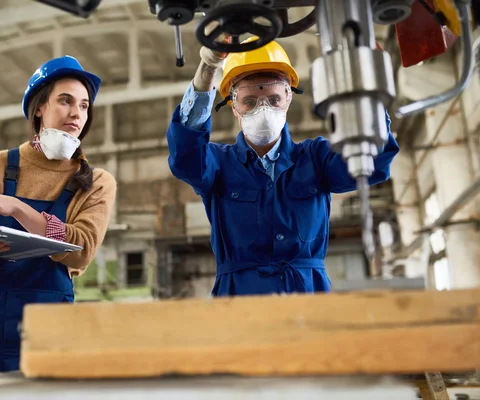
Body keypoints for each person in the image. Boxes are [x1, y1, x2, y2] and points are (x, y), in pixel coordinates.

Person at [166, 36, 399, 296]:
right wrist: (208, 67)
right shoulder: (218, 164)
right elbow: (185, 156)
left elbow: (370, 161)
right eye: (249, 101)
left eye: (274, 99)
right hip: (238, 301)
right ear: (233, 106)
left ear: (288, 98)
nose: (263, 109)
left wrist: (369, 87)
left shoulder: (316, 158)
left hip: (309, 298)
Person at [0, 55, 117, 379]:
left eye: (85, 105)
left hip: (49, 327)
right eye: (65, 101)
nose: (77, 113)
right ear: (39, 108)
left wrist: (17, 208)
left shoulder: (96, 181)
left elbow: (81, 251)